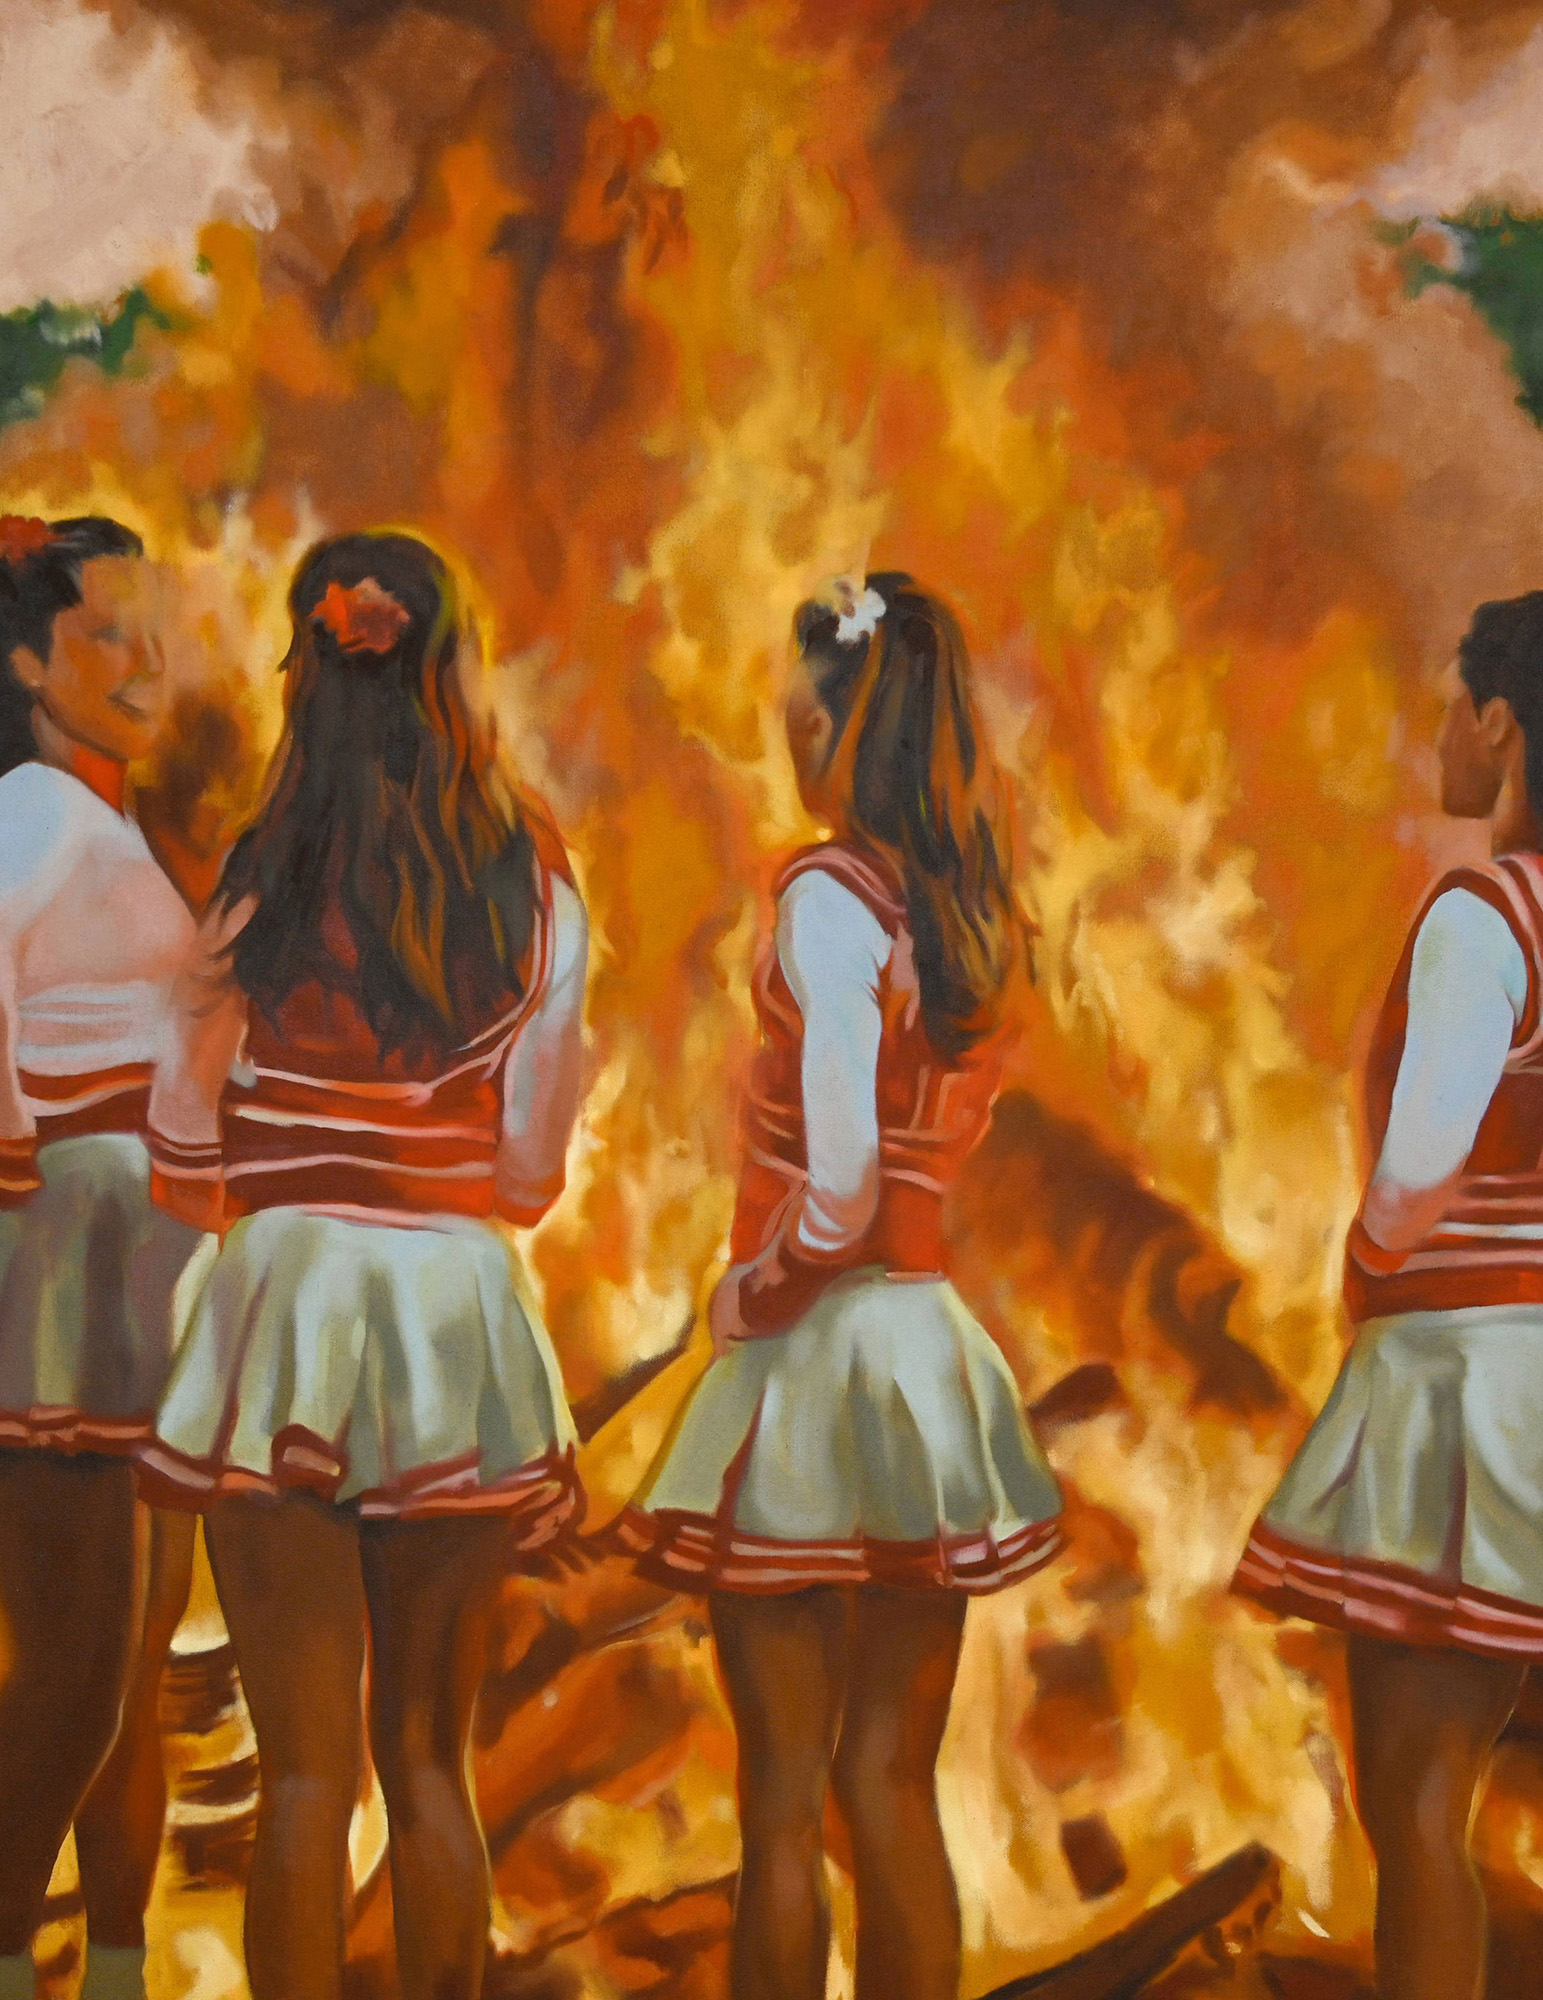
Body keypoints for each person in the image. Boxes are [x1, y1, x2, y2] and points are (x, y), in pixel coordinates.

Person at [138, 531, 588, 2000]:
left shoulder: (259, 870)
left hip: (282, 1304)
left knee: (301, 1775)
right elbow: (531, 1168)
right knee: (430, 1759)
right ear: (451, 668)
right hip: (451, 1306)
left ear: (307, 674)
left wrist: (262, 1170)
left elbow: (181, 1129)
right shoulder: (534, 877)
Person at [619, 573, 1064, 2000]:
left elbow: (845, 1175)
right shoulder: (964, 904)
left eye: (796, 722)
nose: (786, 746)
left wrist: (761, 1285)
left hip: (816, 1350)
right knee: (890, 1781)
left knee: (784, 1802)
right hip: (924, 1352)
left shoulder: (825, 896)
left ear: (835, 730)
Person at [1234, 591, 1543, 2000]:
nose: (1441, 739)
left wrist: (1367, 1260)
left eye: (1453, 712)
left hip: (1461, 1388)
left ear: (1502, 722)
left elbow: (1422, 1160)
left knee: (1417, 1796)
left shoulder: (1484, 916)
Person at [0, 513, 201, 2000]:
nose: (143, 663)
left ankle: (120, 1967)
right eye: (103, 636)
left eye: (150, 631)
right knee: (78, 1666)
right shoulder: (28, 812)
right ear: (28, 663)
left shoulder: (103, 819)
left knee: (133, 1669)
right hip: (64, 1255)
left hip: (136, 1251)